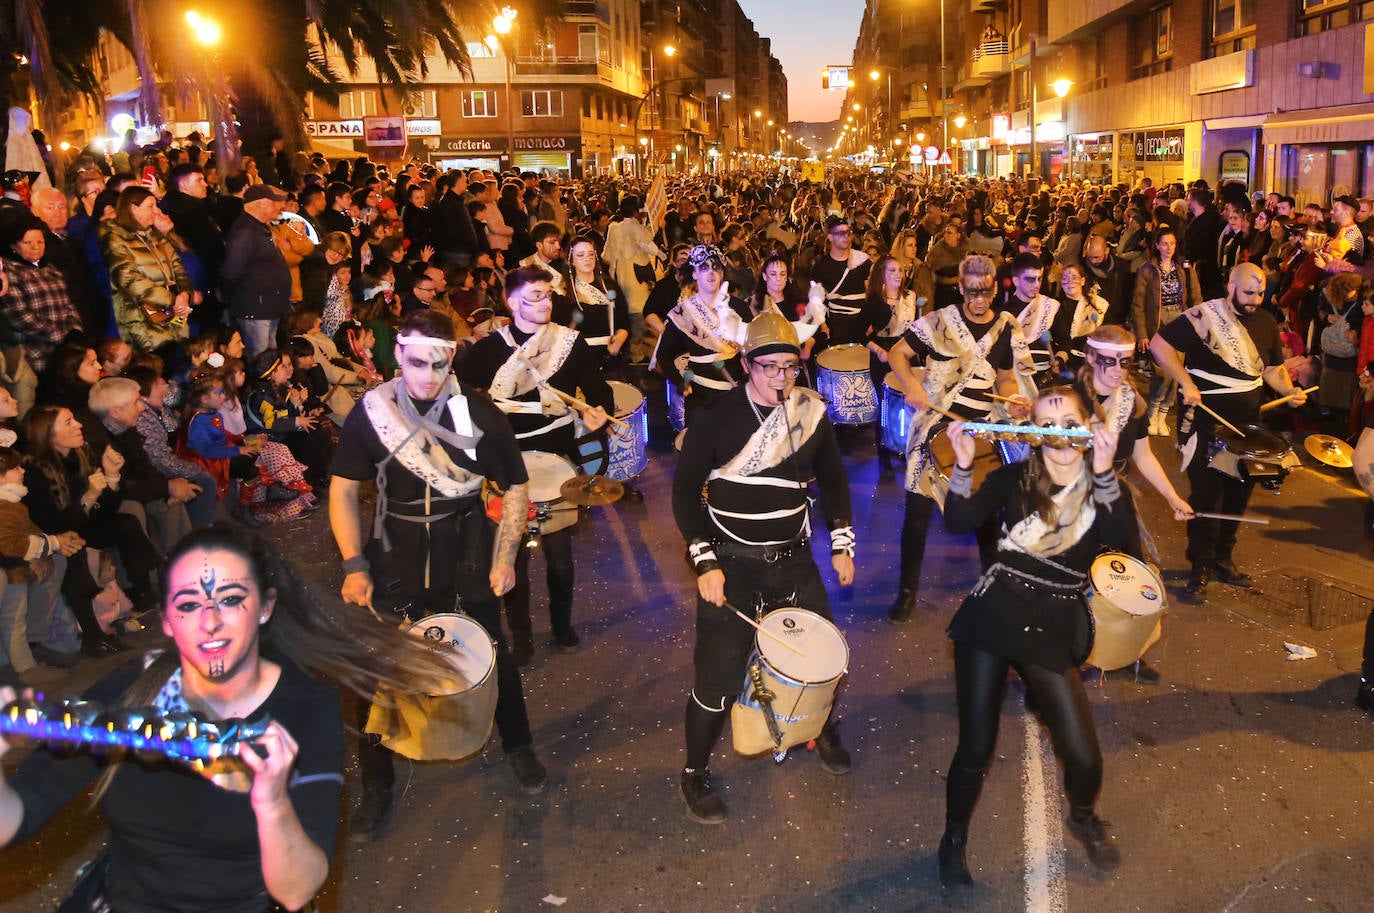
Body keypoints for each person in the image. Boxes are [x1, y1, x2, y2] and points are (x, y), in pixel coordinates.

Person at [0, 525, 459, 912]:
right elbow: (16, 816)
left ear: (264, 607)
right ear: (165, 620)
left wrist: (273, 803)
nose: (210, 622)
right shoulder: (129, 691)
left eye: (230, 598)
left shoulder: (304, 706)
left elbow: (297, 890)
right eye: (188, 604)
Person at [329, 310, 550, 841]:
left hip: (465, 544)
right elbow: (340, 488)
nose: (427, 375)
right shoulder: (374, 410)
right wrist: (354, 564)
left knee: (489, 651)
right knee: (378, 671)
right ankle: (377, 783)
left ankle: (518, 745)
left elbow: (515, 486)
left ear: (452, 355)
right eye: (414, 362)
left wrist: (504, 557)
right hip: (393, 550)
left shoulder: (478, 411)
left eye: (438, 362)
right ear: (397, 355)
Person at [671, 311, 856, 825]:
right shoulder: (715, 418)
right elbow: (685, 495)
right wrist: (703, 562)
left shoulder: (811, 415)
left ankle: (820, 729)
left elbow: (836, 482)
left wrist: (842, 544)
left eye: (790, 367)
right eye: (769, 367)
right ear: (746, 364)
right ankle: (694, 771)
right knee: (718, 677)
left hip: (793, 561)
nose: (781, 378)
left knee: (820, 659)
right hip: (732, 564)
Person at [936, 387, 1126, 888]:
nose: (1060, 433)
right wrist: (960, 465)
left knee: (1083, 753)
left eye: (1070, 422)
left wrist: (1104, 474)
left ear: (1088, 427)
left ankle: (1082, 815)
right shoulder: (1014, 478)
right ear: (1034, 434)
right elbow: (959, 520)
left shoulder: (1102, 484)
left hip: (1053, 623)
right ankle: (953, 837)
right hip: (994, 613)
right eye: (1048, 424)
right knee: (975, 746)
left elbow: (1122, 539)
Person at [458, 267, 612, 664]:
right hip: (507, 464)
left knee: (560, 561)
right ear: (512, 302)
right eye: (536, 297)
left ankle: (561, 624)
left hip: (558, 459)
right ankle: (522, 633)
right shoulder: (488, 350)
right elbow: (459, 398)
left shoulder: (569, 344)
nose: (546, 303)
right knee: (515, 561)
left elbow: (599, 394)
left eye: (548, 295)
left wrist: (599, 413)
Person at [885, 254, 1035, 622]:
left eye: (985, 291)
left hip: (980, 429)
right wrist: (912, 386)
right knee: (917, 514)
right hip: (934, 424)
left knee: (985, 513)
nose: (979, 299)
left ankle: (990, 585)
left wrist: (1013, 396)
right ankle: (906, 592)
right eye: (971, 292)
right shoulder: (937, 322)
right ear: (961, 287)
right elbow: (897, 353)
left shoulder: (1006, 327)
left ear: (996, 287)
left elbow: (1004, 377)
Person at [1149, 262, 1308, 604]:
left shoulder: (1266, 321)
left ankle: (1223, 559)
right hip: (1206, 424)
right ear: (1231, 287)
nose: (1255, 299)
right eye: (1248, 292)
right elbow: (1159, 346)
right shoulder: (1203, 316)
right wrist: (1186, 382)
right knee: (1209, 498)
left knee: (1238, 497)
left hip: (1248, 427)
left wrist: (1289, 392)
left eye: (1261, 292)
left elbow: (1272, 370)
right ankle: (1200, 567)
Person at [1073, 325, 1195, 682]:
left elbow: (1143, 456)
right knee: (1078, 583)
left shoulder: (1133, 401)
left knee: (1129, 578)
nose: (1116, 371)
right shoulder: (1068, 401)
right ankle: (1078, 654)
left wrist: (1173, 496)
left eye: (1124, 363)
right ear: (1091, 358)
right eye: (1108, 362)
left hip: (1116, 497)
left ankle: (1125, 653)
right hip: (1075, 502)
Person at [652, 244, 753, 429]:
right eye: (704, 267)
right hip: (700, 399)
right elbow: (664, 355)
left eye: (716, 267)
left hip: (737, 395)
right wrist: (678, 381)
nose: (711, 273)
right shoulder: (683, 313)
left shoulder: (740, 308)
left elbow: (754, 347)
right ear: (694, 274)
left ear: (722, 273)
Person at [1132, 226, 1203, 435]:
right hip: (1158, 323)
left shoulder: (1185, 268)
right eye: (1164, 243)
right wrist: (1142, 333)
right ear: (1156, 245)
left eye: (1172, 243)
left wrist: (1197, 324)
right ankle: (1153, 409)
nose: (1168, 248)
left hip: (1180, 321)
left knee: (1176, 371)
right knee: (1161, 372)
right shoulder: (1148, 269)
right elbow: (1137, 303)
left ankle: (1162, 415)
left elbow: (1196, 297)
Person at [222, 184, 293, 358]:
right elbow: (232, 272)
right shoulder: (245, 232)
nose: (279, 206)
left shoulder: (259, 229)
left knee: (270, 359)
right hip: (255, 310)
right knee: (260, 360)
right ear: (260, 204)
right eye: (273, 202)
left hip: (267, 308)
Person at [565, 235, 629, 372]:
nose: (587, 259)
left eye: (591, 254)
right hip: (579, 358)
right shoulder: (565, 291)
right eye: (580, 255)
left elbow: (624, 320)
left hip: (610, 357)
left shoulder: (610, 285)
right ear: (572, 261)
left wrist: (619, 339)